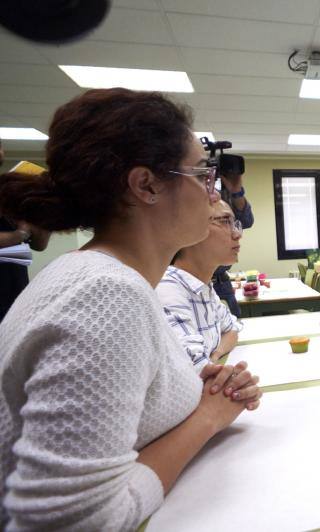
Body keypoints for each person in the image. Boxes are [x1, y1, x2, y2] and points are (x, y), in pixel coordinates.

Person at [0, 88, 263, 529]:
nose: (212, 192)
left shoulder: (99, 277)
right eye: (201, 174)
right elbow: (73, 521)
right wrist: (207, 418)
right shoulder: (104, 296)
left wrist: (190, 390)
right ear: (146, 185)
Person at [157, 200, 244, 372]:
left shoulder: (202, 286)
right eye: (225, 221)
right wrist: (209, 364)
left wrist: (215, 355)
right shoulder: (167, 289)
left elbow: (232, 330)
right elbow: (194, 373)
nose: (237, 234)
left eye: (235, 224)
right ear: (190, 232)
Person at [0, 139, 51, 322]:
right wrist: (18, 235)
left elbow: (40, 244)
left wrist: (42, 213)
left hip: (15, 290)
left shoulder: (10, 191)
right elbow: (20, 235)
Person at [212, 166, 254, 317]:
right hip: (205, 279)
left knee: (235, 323)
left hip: (221, 281)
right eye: (224, 222)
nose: (237, 235)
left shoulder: (226, 200)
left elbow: (247, 221)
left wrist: (237, 192)